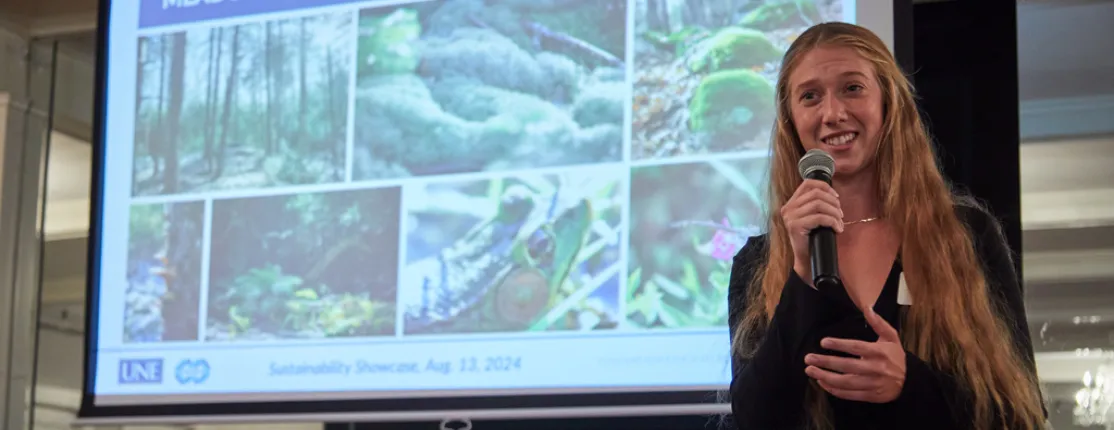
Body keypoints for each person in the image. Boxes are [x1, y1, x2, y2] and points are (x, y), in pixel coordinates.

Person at [727, 22, 1047, 430]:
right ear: (791, 120)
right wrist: (802, 274)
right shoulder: (758, 261)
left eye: (852, 88)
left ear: (888, 103)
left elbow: (1021, 416)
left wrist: (910, 385)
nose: (833, 113)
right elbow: (754, 419)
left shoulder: (965, 234)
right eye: (810, 96)